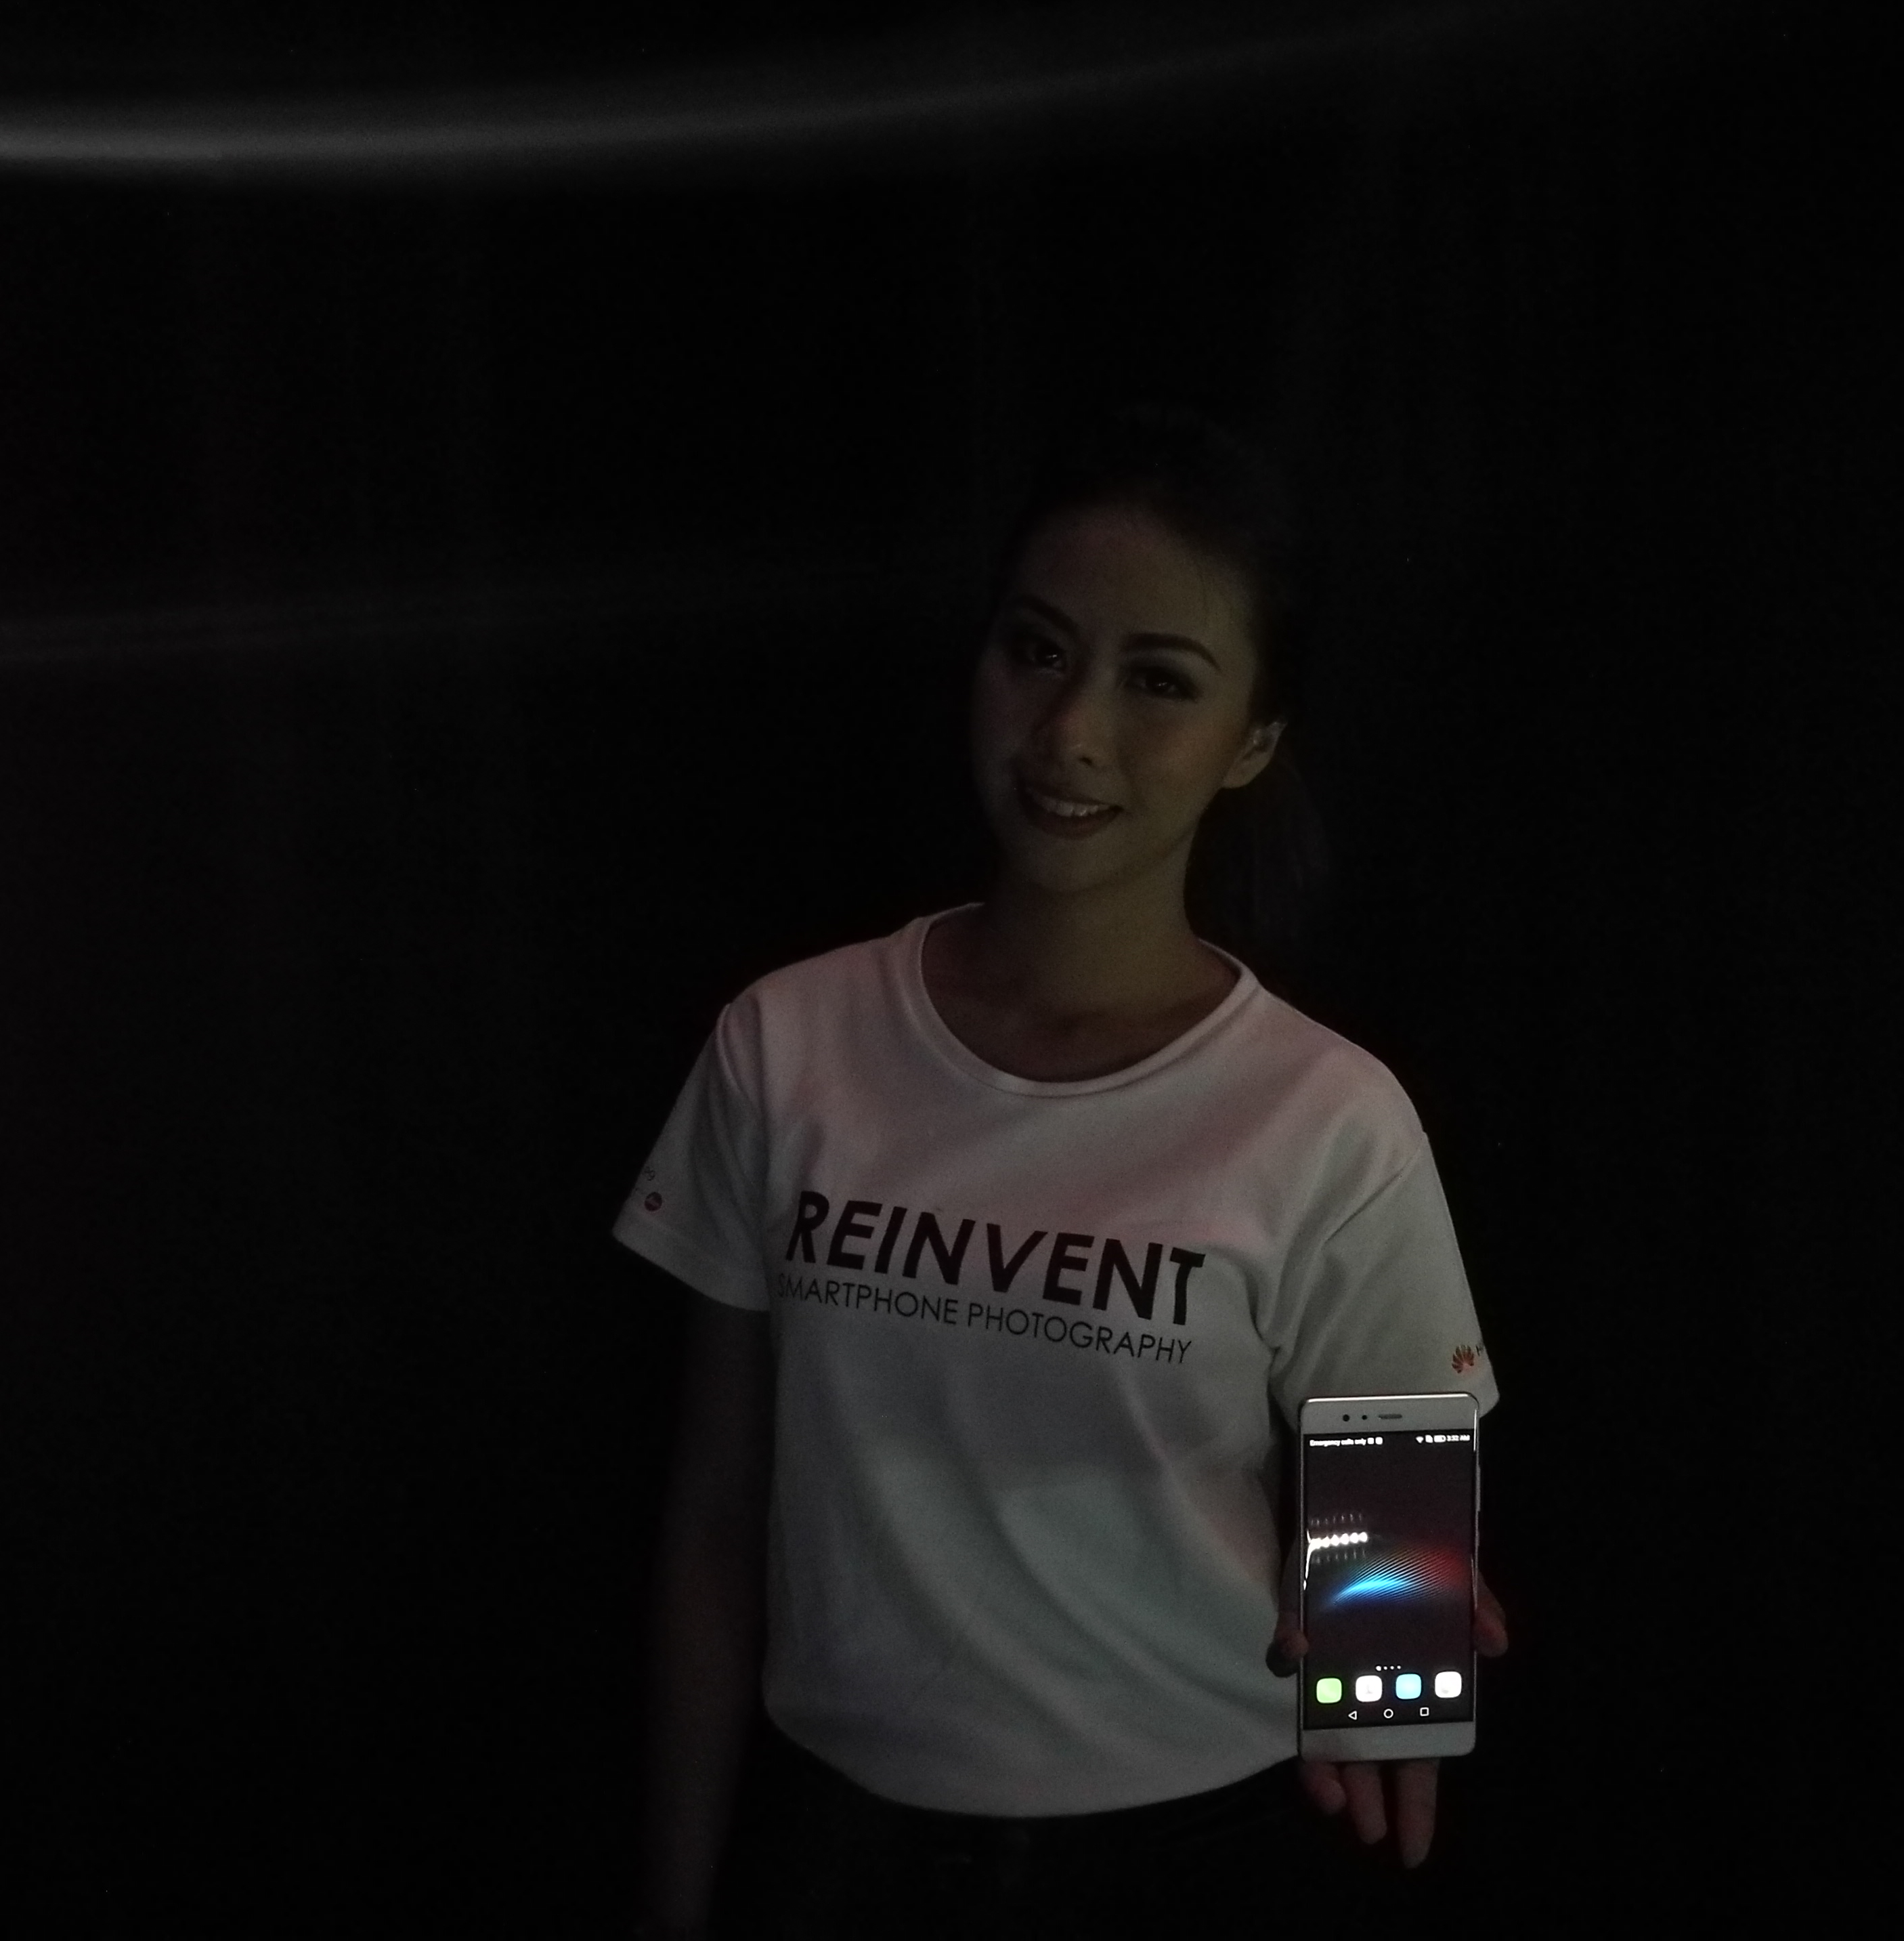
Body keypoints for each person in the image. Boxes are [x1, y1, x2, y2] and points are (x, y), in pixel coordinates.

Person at [619, 404, 1509, 1940]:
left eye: (1158, 680)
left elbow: (1398, 1571)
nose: (1072, 730)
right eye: (1038, 651)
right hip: (842, 1854)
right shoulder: (787, 1043)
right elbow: (716, 1518)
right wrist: (672, 1898)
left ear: (1253, 740)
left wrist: (1394, 1670)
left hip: (1197, 1851)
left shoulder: (1325, 1118)